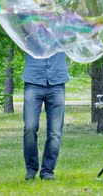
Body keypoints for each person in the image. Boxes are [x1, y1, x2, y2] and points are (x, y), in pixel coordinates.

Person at [22, 51, 70, 180]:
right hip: (33, 82)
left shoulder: (61, 32)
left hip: (57, 83)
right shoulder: (30, 32)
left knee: (55, 132)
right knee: (30, 127)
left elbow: (77, 37)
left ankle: (47, 171)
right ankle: (31, 169)